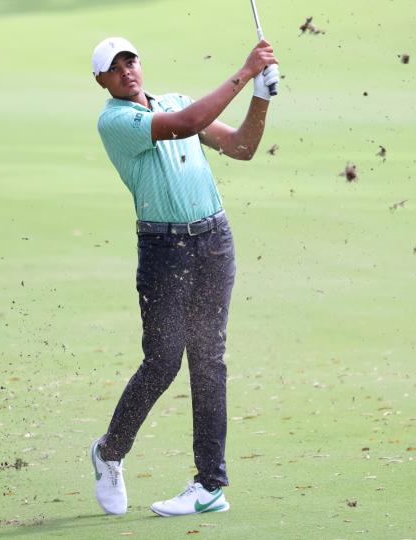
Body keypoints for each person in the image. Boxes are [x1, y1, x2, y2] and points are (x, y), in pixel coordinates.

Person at [88, 36, 279, 517]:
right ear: (102, 81)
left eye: (131, 59)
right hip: (163, 250)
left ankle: (209, 484)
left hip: (215, 240)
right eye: (115, 66)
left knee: (209, 361)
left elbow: (241, 147)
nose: (127, 70)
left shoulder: (172, 99)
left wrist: (261, 94)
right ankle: (110, 452)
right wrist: (244, 71)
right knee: (162, 363)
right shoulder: (116, 121)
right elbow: (186, 125)